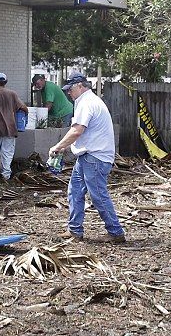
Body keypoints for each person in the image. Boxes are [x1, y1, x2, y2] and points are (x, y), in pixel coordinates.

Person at [49, 72, 126, 244]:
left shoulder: (87, 103)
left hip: (95, 156)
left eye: (70, 89)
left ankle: (116, 232)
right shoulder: (88, 101)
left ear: (80, 86)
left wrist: (58, 146)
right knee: (75, 190)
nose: (68, 93)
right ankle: (75, 230)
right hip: (88, 156)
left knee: (98, 195)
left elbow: (77, 131)